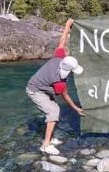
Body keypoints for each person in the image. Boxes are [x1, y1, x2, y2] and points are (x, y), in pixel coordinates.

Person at [26, 18, 85, 155]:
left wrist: (67, 26)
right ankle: (45, 145)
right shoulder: (59, 82)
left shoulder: (59, 57)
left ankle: (51, 139)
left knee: (55, 110)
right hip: (34, 90)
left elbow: (62, 41)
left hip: (41, 86)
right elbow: (66, 97)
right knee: (53, 112)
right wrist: (76, 108)